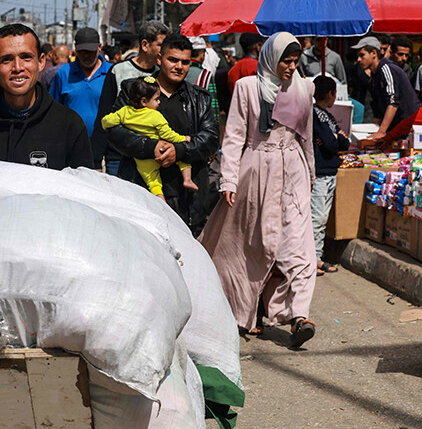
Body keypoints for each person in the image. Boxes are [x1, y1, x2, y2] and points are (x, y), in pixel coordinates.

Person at [198, 32, 317, 347]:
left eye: (295, 61)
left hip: (293, 174)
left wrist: (311, 176)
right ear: (270, 59)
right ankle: (241, 312)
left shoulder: (304, 89)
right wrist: (228, 180)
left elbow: (305, 137)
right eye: (285, 61)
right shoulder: (247, 89)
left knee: (300, 245)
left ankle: (299, 315)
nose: (290, 68)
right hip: (256, 173)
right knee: (254, 245)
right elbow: (235, 136)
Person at [106, 33, 220, 235]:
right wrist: (150, 147)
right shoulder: (134, 90)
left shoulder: (199, 98)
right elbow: (115, 133)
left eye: (185, 62)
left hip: (186, 200)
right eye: (173, 60)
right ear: (159, 59)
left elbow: (211, 138)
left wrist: (180, 150)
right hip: (141, 191)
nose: (179, 67)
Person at [0, 23, 93, 171]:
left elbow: (83, 189)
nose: (17, 68)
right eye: (6, 59)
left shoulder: (69, 125)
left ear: (41, 62)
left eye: (26, 57)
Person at [91, 20, 170, 175]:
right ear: (145, 45)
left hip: (155, 157)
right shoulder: (118, 71)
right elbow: (105, 114)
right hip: (119, 156)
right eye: (161, 45)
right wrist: (96, 160)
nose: (165, 50)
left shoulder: (164, 74)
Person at [101, 76, 195, 201]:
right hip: (162, 150)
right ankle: (187, 179)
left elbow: (106, 121)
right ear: (144, 101)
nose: (159, 102)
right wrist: (183, 138)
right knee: (182, 159)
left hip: (142, 160)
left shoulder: (124, 112)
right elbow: (168, 134)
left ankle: (160, 198)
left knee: (153, 182)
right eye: (156, 99)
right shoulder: (155, 116)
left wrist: (106, 124)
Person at [311, 76, 349, 276]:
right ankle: (313, 259)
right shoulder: (315, 115)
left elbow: (344, 142)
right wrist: (335, 138)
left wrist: (335, 139)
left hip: (329, 172)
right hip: (319, 174)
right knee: (316, 218)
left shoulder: (328, 116)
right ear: (331, 93)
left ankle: (316, 256)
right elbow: (331, 142)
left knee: (321, 218)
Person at [49, 28, 111, 143]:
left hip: (104, 145)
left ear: (99, 47)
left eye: (91, 51)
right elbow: (54, 110)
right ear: (75, 49)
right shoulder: (64, 73)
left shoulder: (111, 72)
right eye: (82, 51)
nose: (87, 56)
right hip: (70, 143)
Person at [354, 36, 421, 140]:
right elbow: (377, 108)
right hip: (396, 129)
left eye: (362, 55)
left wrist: (381, 132)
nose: (359, 59)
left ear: (374, 53)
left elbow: (393, 103)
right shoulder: (374, 76)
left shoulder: (387, 68)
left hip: (409, 128)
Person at [186, 36, 220, 123]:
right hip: (201, 124)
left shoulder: (178, 72)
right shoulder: (206, 76)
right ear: (202, 55)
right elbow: (213, 106)